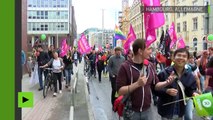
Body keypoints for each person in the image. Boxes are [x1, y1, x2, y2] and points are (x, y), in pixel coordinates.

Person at [117, 39, 175, 120]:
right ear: (140, 51)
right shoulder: (125, 67)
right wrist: (137, 84)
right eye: (148, 49)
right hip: (131, 112)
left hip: (148, 111)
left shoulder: (150, 66)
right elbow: (120, 91)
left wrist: (166, 82)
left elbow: (156, 85)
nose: (151, 51)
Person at [157, 48, 199, 120]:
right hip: (166, 112)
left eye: (184, 56)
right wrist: (166, 91)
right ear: (173, 58)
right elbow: (155, 90)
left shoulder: (190, 75)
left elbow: (190, 91)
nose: (181, 58)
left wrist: (193, 93)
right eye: (179, 55)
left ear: (188, 60)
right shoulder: (164, 73)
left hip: (180, 111)